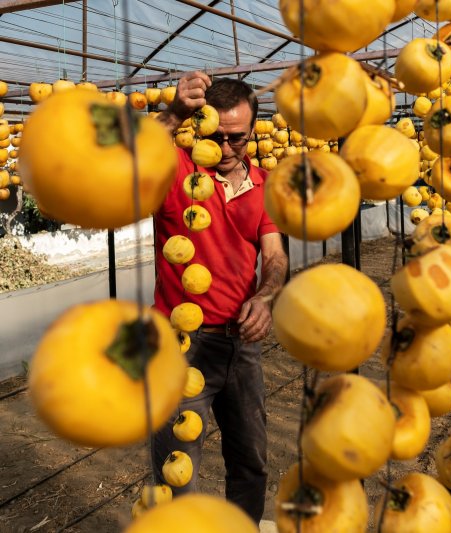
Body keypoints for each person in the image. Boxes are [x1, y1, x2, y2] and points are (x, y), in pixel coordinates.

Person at [151, 71, 288, 523]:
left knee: (251, 459)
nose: (226, 149)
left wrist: (265, 297)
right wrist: (174, 113)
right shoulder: (179, 172)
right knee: (176, 471)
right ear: (201, 125)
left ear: (253, 131)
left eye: (237, 138)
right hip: (181, 346)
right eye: (217, 137)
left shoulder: (265, 185)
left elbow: (275, 257)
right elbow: (129, 157)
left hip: (240, 344)